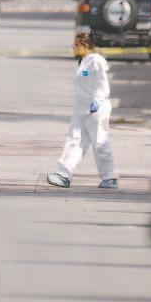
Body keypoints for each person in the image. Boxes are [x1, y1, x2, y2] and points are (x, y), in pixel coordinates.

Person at [47, 31, 118, 189]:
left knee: (100, 142)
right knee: (74, 141)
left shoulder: (96, 61)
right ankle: (64, 174)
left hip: (96, 110)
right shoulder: (83, 61)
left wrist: (97, 101)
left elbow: (102, 85)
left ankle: (110, 177)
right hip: (81, 110)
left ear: (85, 45)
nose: (73, 47)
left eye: (76, 45)